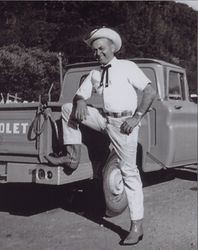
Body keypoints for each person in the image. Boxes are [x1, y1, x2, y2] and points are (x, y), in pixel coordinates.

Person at [46, 27, 156, 245]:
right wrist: (80, 101)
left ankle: (137, 225)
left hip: (124, 124)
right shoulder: (95, 73)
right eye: (95, 50)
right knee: (68, 108)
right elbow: (81, 94)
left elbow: (150, 92)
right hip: (104, 120)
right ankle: (72, 155)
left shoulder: (127, 67)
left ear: (113, 48)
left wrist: (136, 118)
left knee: (129, 172)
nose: (98, 53)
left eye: (102, 48)